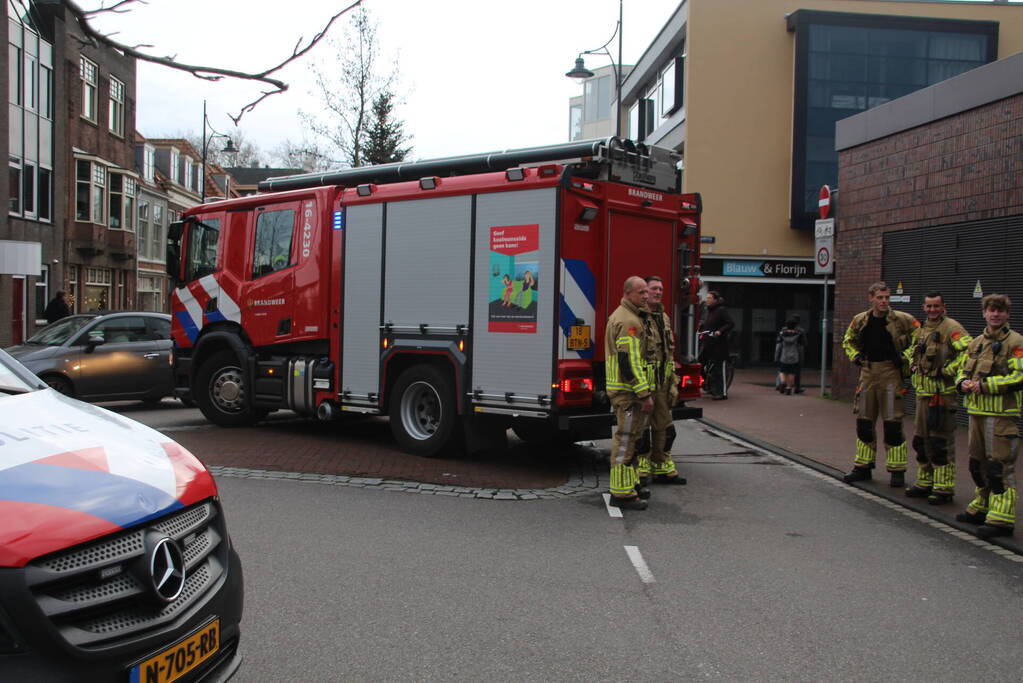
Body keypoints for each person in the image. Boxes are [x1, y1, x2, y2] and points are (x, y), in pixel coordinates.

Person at [954, 293, 1023, 539]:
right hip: (976, 413)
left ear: (1007, 314)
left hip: (1001, 415)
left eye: (1000, 311)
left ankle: (1001, 519)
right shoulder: (976, 343)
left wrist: (985, 385)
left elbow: (1019, 377)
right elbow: (962, 370)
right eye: (991, 310)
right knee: (977, 464)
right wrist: (962, 383)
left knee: (999, 467)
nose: (996, 314)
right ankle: (982, 506)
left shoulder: (1016, 342)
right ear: (984, 313)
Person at [841, 281, 918, 487]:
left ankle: (897, 469)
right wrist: (856, 357)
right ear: (871, 298)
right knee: (864, 422)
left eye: (886, 297)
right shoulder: (860, 320)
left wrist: (905, 357)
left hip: (890, 374)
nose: (884, 301)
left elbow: (920, 341)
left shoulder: (903, 320)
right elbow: (848, 340)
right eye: (880, 298)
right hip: (867, 373)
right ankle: (863, 466)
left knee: (892, 423)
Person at [903, 292, 971, 505]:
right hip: (923, 394)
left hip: (942, 396)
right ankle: (925, 481)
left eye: (936, 306)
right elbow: (911, 351)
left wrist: (948, 370)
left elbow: (969, 353)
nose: (932, 310)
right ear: (924, 307)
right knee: (921, 440)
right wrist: (912, 364)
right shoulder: (922, 329)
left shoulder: (952, 328)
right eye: (929, 306)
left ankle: (944, 487)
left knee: (940, 442)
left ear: (943, 307)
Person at [605, 276, 656, 510]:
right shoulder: (628, 321)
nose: (646, 296)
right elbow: (629, 362)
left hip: (629, 392)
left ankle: (629, 486)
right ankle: (621, 493)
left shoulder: (632, 316)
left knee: (633, 440)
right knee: (625, 442)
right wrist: (644, 393)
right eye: (641, 293)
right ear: (627, 293)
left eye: (647, 292)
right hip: (628, 394)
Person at [635, 276, 687, 488]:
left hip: (662, 384)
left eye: (661, 289)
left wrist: (672, 382)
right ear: (644, 292)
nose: (658, 292)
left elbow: (669, 352)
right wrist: (639, 387)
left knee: (664, 428)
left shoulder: (663, 317)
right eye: (654, 288)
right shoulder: (637, 316)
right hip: (644, 385)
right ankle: (641, 470)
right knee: (641, 431)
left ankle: (663, 468)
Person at [698, 291, 734, 400]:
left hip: (719, 346)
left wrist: (719, 331)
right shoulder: (710, 312)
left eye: (709, 298)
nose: (707, 300)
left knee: (719, 369)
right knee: (699, 365)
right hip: (707, 344)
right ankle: (707, 385)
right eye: (707, 298)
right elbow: (709, 325)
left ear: (715, 300)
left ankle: (722, 393)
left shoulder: (721, 310)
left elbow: (730, 323)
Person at [775, 319, 803, 395]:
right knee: (792, 373)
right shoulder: (799, 334)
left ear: (786, 326)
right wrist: (801, 358)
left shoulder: (781, 334)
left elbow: (778, 347)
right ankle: (788, 388)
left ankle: (783, 382)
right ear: (795, 326)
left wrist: (776, 356)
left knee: (782, 371)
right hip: (794, 357)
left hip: (784, 356)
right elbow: (800, 347)